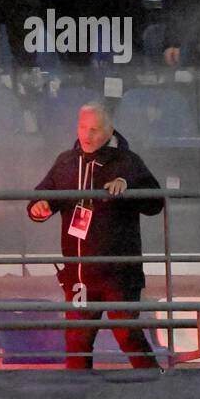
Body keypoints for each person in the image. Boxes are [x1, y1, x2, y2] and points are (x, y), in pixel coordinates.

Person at [28, 101, 163, 371]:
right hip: (79, 275)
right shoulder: (65, 161)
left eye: (95, 130)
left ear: (110, 130)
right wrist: (38, 206)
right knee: (77, 342)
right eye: (82, 127)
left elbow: (155, 203)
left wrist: (128, 186)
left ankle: (155, 386)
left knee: (128, 335)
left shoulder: (129, 161)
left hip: (119, 274)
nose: (87, 136)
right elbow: (42, 195)